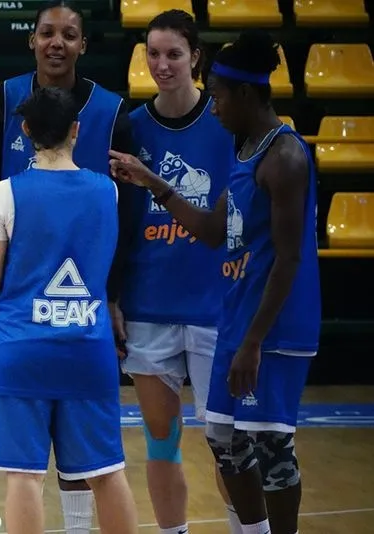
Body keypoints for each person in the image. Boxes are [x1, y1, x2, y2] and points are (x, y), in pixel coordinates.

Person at [110, 29, 321, 534]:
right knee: (224, 440)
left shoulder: (286, 157)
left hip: (274, 329)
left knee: (271, 445)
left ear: (244, 95)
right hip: (238, 319)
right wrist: (154, 182)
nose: (215, 107)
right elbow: (208, 229)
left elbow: (289, 260)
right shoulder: (246, 150)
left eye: (221, 97)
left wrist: (251, 342)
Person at [0, 3, 139, 530]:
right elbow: (106, 261)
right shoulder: (107, 191)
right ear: (76, 128)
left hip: (19, 345)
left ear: (22, 129)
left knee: (24, 478)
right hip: (86, 346)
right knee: (108, 472)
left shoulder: (4, 192)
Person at [117, 10, 240, 534]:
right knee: (161, 441)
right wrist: (114, 295)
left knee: (230, 445)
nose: (162, 65)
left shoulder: (224, 123)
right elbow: (119, 221)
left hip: (215, 307)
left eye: (173, 54)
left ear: (196, 58)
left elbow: (232, 223)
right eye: (153, 53)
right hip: (149, 308)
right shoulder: (132, 127)